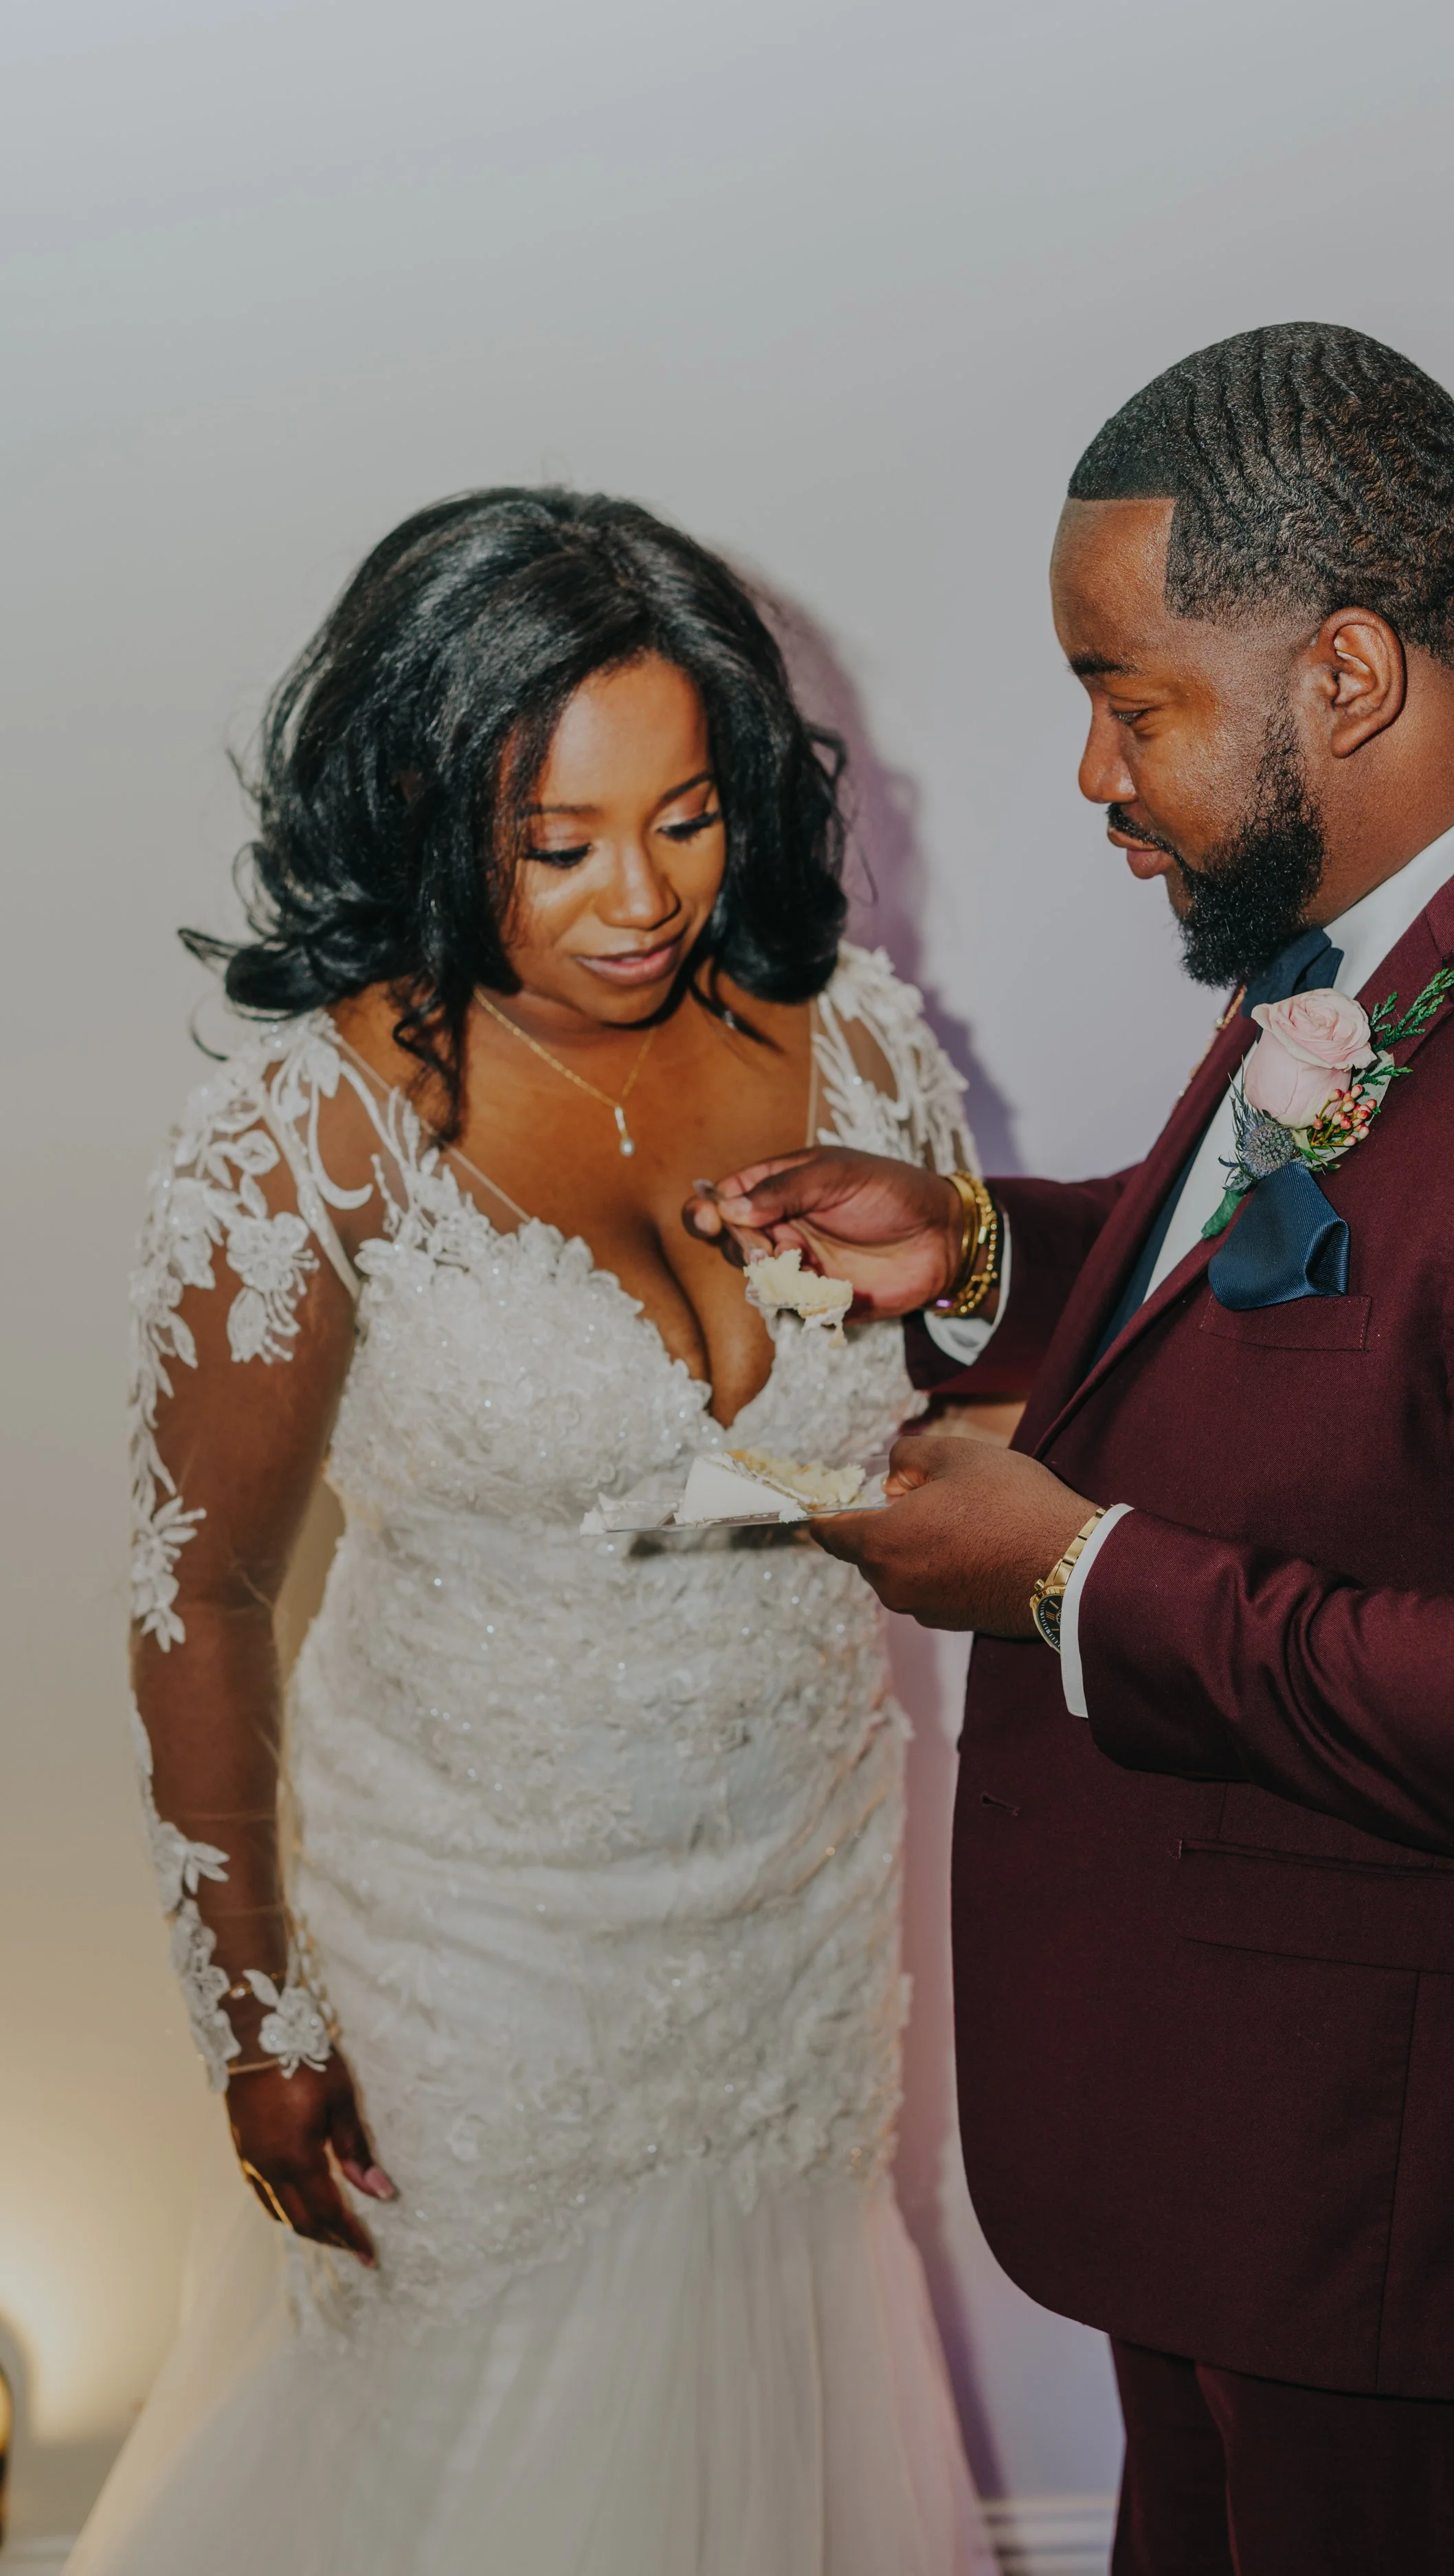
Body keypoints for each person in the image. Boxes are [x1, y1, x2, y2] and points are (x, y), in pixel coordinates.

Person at [686, 324, 1454, 2575]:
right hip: (1248, 2169)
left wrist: (1070, 1574)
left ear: (1339, 674)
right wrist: (977, 1248)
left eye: (1128, 696)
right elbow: (1319, 1308)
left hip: (1414, 2211)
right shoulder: (1388, 939)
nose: (1089, 769)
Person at [86, 488, 995, 2575]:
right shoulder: (302, 1134)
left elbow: (948, 1403)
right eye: (554, 843)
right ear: (423, 803)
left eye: (684, 817)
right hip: (473, 1956)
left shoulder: (854, 1038)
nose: (638, 900)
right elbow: (193, 1595)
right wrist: (256, 2016)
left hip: (796, 1920)